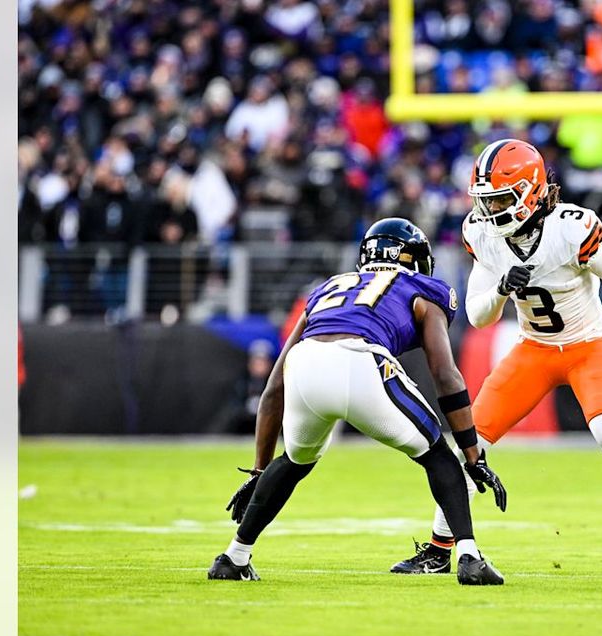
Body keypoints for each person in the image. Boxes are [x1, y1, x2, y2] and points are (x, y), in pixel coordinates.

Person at [392, 140, 602, 575]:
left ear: (532, 192)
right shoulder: (483, 233)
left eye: (501, 199)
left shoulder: (571, 228)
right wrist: (502, 288)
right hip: (534, 349)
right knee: (470, 444)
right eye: (485, 201)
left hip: (588, 345)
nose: (491, 211)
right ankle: (437, 549)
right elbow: (477, 315)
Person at [208, 218, 508, 585]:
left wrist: (259, 470)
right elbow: (445, 375)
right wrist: (473, 454)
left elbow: (273, 388)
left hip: (304, 365)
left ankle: (234, 557)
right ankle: (468, 557)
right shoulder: (424, 288)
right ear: (411, 257)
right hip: (359, 359)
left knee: (294, 461)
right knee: (438, 454)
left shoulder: (328, 288)